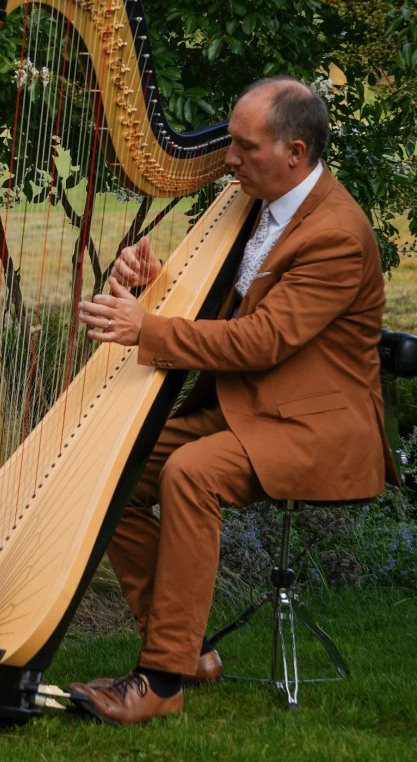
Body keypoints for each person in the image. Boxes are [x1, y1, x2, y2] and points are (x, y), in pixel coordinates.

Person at [66, 76, 401, 726]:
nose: (228, 159)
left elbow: (264, 339)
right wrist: (157, 281)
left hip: (315, 424)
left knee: (189, 473)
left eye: (244, 148)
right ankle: (183, 650)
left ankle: (160, 681)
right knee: (108, 462)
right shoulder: (255, 201)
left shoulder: (334, 233)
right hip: (247, 408)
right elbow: (237, 303)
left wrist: (148, 330)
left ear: (294, 154)